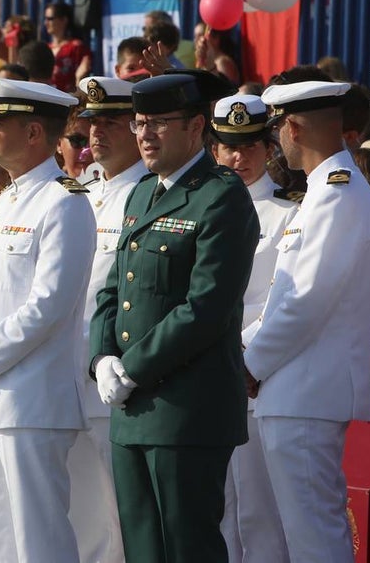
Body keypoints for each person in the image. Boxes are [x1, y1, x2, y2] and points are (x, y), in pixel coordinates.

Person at [89, 72, 258, 563]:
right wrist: (102, 358)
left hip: (188, 409)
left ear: (196, 127)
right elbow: (113, 287)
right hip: (131, 409)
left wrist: (132, 368)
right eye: (139, 123)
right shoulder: (141, 193)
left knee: (188, 546)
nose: (144, 134)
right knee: (142, 547)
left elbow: (205, 307)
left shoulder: (221, 195)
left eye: (159, 123)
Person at [0, 77, 93, 562]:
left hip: (29, 401)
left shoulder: (63, 201)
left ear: (32, 133)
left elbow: (48, 305)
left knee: (38, 544)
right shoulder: (7, 199)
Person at [244, 79, 370, 563]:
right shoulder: (324, 191)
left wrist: (248, 363)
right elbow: (284, 301)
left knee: (313, 537)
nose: (278, 136)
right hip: (296, 388)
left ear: (294, 128)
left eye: (279, 124)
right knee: (289, 533)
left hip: (307, 389)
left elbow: (304, 303)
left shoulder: (337, 195)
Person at [210, 94, 298, 563]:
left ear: (268, 148)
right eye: (228, 146)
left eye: (248, 146)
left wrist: (238, 355)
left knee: (259, 514)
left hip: (256, 374)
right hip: (204, 376)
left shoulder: (289, 214)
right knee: (216, 511)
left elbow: (280, 299)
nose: (238, 157)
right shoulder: (200, 209)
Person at [69, 75, 144, 563]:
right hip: (65, 374)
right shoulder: (79, 191)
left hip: (114, 375)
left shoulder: (151, 192)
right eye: (92, 122)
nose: (97, 133)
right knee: (81, 511)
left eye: (111, 122)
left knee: (122, 511)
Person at [46, 2, 91, 92]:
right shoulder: (46, 48)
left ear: (64, 20)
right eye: (46, 19)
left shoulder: (76, 47)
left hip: (68, 99)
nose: (46, 23)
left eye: (50, 19)